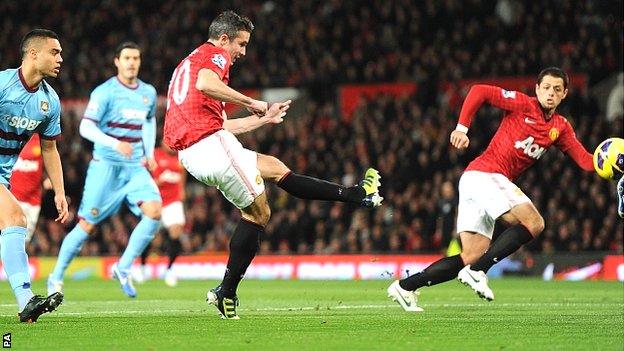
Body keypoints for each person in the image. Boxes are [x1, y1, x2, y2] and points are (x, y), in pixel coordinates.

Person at [164, 10, 382, 319]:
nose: (242, 52)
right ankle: (226, 291)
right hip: (208, 147)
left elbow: (221, 124)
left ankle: (356, 194)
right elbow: (206, 83)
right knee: (259, 212)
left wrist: (261, 119)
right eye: (241, 44)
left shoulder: (188, 61)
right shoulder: (213, 57)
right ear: (224, 39)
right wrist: (254, 103)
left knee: (274, 167)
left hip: (197, 150)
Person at [388, 67, 595, 311]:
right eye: (546, 87)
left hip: (476, 180)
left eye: (557, 89)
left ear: (565, 94)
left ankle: (405, 286)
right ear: (537, 89)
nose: (550, 93)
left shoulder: (560, 127)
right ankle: (478, 272)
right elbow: (479, 91)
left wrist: (614, 164)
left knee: (471, 255)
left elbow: (587, 161)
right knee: (534, 223)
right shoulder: (522, 104)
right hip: (486, 174)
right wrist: (462, 128)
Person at [48, 42, 161, 298]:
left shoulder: (148, 93)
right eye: (127, 58)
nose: (132, 62)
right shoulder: (105, 92)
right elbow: (85, 128)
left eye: (136, 58)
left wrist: (150, 153)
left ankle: (123, 267)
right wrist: (114, 143)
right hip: (106, 167)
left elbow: (148, 120)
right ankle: (55, 278)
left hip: (134, 167)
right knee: (87, 225)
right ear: (117, 62)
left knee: (154, 211)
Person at [0, 29, 69, 322]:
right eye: (54, 52)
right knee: (15, 218)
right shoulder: (2, 84)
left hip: (3, 177)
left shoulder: (50, 102)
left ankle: (26, 302)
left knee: (13, 221)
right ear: (33, 54)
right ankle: (26, 299)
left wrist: (59, 191)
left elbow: (50, 149)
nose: (60, 59)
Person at [137, 142, 187, 287]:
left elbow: (182, 172)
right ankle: (142, 266)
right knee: (151, 238)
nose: (171, 145)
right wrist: (155, 182)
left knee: (176, 230)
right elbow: (141, 173)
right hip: (155, 201)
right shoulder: (154, 155)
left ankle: (170, 269)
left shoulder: (180, 157)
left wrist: (182, 189)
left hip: (173, 201)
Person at [10, 133, 48, 242]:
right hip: (13, 197)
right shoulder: (10, 135)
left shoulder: (41, 139)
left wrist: (48, 178)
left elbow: (49, 158)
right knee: (9, 235)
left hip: (33, 200)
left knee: (25, 240)